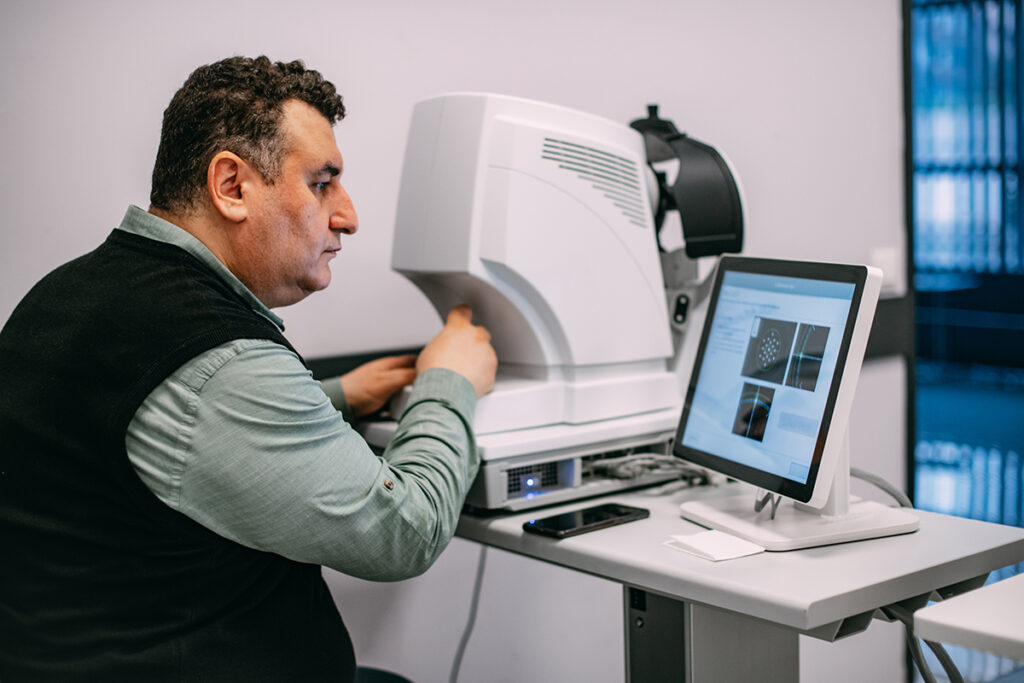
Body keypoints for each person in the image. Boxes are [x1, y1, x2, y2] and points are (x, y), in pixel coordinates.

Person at [0, 56, 497, 682]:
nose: (347, 216)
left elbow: (178, 432)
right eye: (322, 182)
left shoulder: (73, 292)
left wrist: (339, 395)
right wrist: (449, 382)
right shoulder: (219, 360)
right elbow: (406, 531)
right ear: (232, 186)